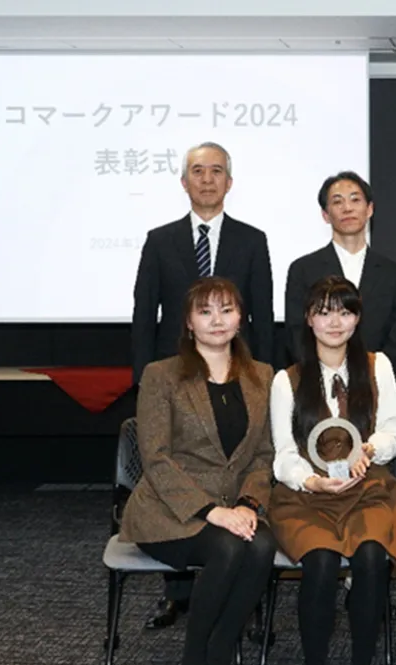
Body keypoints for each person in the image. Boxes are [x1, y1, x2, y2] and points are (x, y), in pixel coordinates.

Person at [118, 276, 277, 665]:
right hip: (169, 510)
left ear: (241, 317)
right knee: (227, 548)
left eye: (227, 310)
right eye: (205, 311)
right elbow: (156, 459)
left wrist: (248, 504)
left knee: (262, 546)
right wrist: (212, 511)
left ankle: (220, 659)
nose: (217, 320)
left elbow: (264, 455)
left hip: (235, 507)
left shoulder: (262, 376)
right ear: (188, 321)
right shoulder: (161, 375)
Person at [131, 141, 275, 632]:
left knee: (232, 464)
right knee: (181, 469)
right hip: (176, 380)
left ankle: (240, 597)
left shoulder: (252, 239)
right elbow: (143, 313)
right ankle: (177, 593)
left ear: (229, 182)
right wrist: (144, 378)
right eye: (198, 171)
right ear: (184, 181)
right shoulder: (160, 240)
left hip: (234, 374)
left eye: (216, 171)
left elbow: (261, 314)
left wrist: (263, 380)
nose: (207, 179)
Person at [267, 275, 396, 665]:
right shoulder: (287, 380)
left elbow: (395, 429)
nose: (335, 322)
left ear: (358, 318)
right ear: (308, 319)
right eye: (324, 312)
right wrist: (311, 482)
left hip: (367, 488)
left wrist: (370, 449)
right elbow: (283, 454)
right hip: (306, 494)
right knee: (322, 562)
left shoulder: (377, 366)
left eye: (345, 312)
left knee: (371, 558)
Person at [284, 171, 396, 374]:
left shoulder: (392, 273)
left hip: (377, 379)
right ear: (325, 215)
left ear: (370, 209)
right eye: (337, 201)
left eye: (355, 200)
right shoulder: (303, 269)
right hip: (318, 380)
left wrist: (377, 375)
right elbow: (296, 331)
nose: (347, 208)